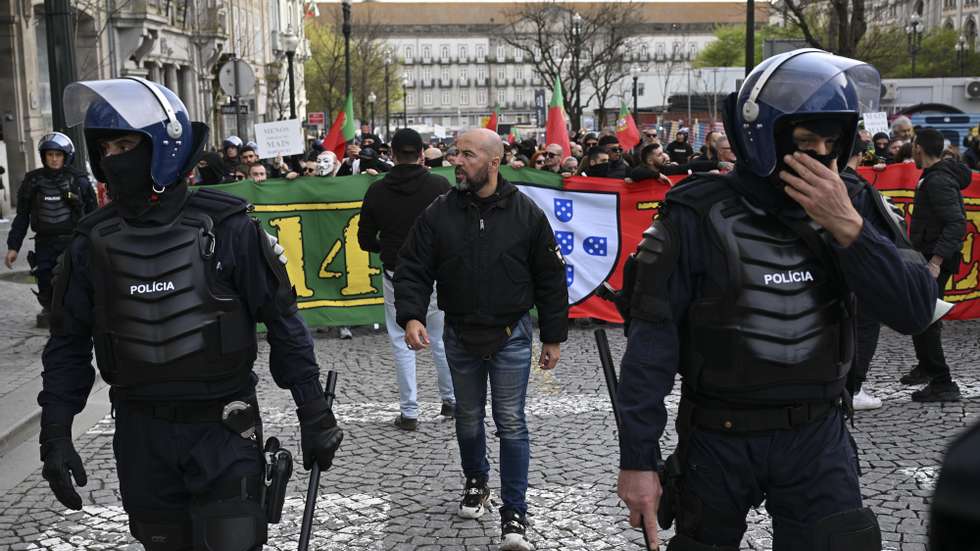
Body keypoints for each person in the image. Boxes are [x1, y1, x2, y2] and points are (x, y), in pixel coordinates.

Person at [615, 49, 939, 550]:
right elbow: (650, 343)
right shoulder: (695, 213)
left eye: (831, 143)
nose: (820, 156)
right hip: (717, 434)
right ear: (761, 136)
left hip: (818, 432)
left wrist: (852, 231)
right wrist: (638, 460)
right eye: (805, 142)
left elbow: (916, 309)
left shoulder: (852, 201)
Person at [39, 77, 343, 550]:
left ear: (163, 144)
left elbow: (284, 323)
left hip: (224, 427)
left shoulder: (230, 228)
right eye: (106, 148)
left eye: (126, 144)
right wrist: (54, 433)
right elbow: (67, 345)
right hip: (142, 434)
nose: (114, 158)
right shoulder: (90, 243)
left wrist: (313, 411)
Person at [395, 128, 568, 551]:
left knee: (511, 423)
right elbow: (413, 265)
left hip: (511, 334)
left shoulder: (526, 214)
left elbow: (550, 278)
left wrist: (554, 336)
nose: (456, 161)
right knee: (469, 418)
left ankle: (515, 513)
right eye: (456, 154)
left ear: (493, 163)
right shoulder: (439, 212)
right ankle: (476, 482)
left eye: (467, 155)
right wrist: (412, 315)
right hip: (458, 334)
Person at [357, 128, 456, 431]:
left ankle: (409, 411)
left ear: (392, 154)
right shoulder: (440, 185)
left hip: (396, 273)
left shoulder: (377, 190)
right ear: (422, 154)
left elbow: (364, 238)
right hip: (434, 272)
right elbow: (453, 232)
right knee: (439, 338)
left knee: (401, 340)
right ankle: (452, 400)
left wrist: (386, 248)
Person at [900, 127, 969, 402]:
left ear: (919, 148)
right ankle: (926, 367)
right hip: (928, 256)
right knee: (923, 314)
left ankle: (943, 382)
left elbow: (956, 223)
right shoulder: (932, 176)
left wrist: (936, 261)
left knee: (926, 318)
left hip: (935, 260)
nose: (912, 149)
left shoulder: (938, 181)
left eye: (914, 145)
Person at [4, 132, 97, 327]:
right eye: (50, 155)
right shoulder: (32, 181)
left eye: (58, 155)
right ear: (44, 156)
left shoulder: (79, 181)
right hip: (44, 243)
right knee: (45, 282)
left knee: (74, 283)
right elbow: (22, 216)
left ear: (66, 155)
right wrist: (13, 247)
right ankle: (53, 316)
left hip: (72, 241)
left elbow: (93, 215)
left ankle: (74, 319)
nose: (54, 159)